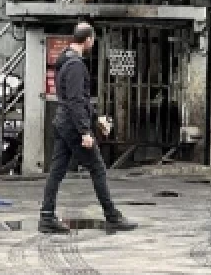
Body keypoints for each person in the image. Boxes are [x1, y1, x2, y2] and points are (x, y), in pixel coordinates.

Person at [39, 23, 137, 234]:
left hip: (63, 123)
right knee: (97, 168)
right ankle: (112, 216)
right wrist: (85, 131)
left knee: (56, 171)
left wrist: (96, 117)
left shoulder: (64, 60)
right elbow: (75, 100)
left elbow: (78, 100)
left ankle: (46, 217)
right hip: (73, 126)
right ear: (88, 40)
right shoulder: (75, 66)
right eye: (93, 40)